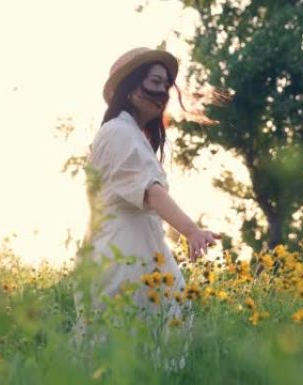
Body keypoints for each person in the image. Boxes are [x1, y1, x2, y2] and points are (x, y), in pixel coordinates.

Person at [72, 47, 222, 355]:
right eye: (155, 81)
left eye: (166, 84)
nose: (163, 92)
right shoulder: (118, 132)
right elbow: (151, 192)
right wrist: (192, 231)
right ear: (129, 87)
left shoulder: (129, 134)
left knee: (142, 351)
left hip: (135, 255)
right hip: (123, 260)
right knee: (127, 353)